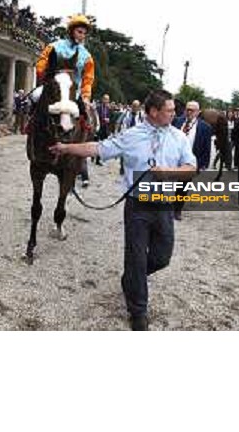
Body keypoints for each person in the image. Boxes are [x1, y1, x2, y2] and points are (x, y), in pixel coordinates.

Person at [50, 89, 196, 331]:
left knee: (162, 258)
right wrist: (66, 149)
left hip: (165, 206)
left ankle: (131, 279)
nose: (174, 113)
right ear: (153, 112)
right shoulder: (132, 136)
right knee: (136, 258)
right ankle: (138, 311)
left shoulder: (179, 137)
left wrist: (169, 173)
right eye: (169, 110)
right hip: (137, 206)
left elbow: (192, 167)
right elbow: (98, 148)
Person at [34, 14, 95, 118]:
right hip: (52, 89)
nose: (82, 36)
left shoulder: (87, 57)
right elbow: (40, 67)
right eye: (79, 32)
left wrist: (86, 96)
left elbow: (88, 79)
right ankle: (29, 127)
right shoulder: (53, 47)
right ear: (71, 31)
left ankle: (88, 133)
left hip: (73, 93)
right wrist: (45, 78)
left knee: (86, 114)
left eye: (84, 33)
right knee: (34, 97)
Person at [172, 101, 212, 221]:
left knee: (183, 186)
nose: (189, 112)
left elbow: (206, 147)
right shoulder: (177, 122)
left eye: (192, 110)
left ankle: (177, 209)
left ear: (198, 112)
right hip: (173, 158)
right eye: (188, 109)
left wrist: (203, 164)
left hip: (190, 161)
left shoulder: (205, 127)